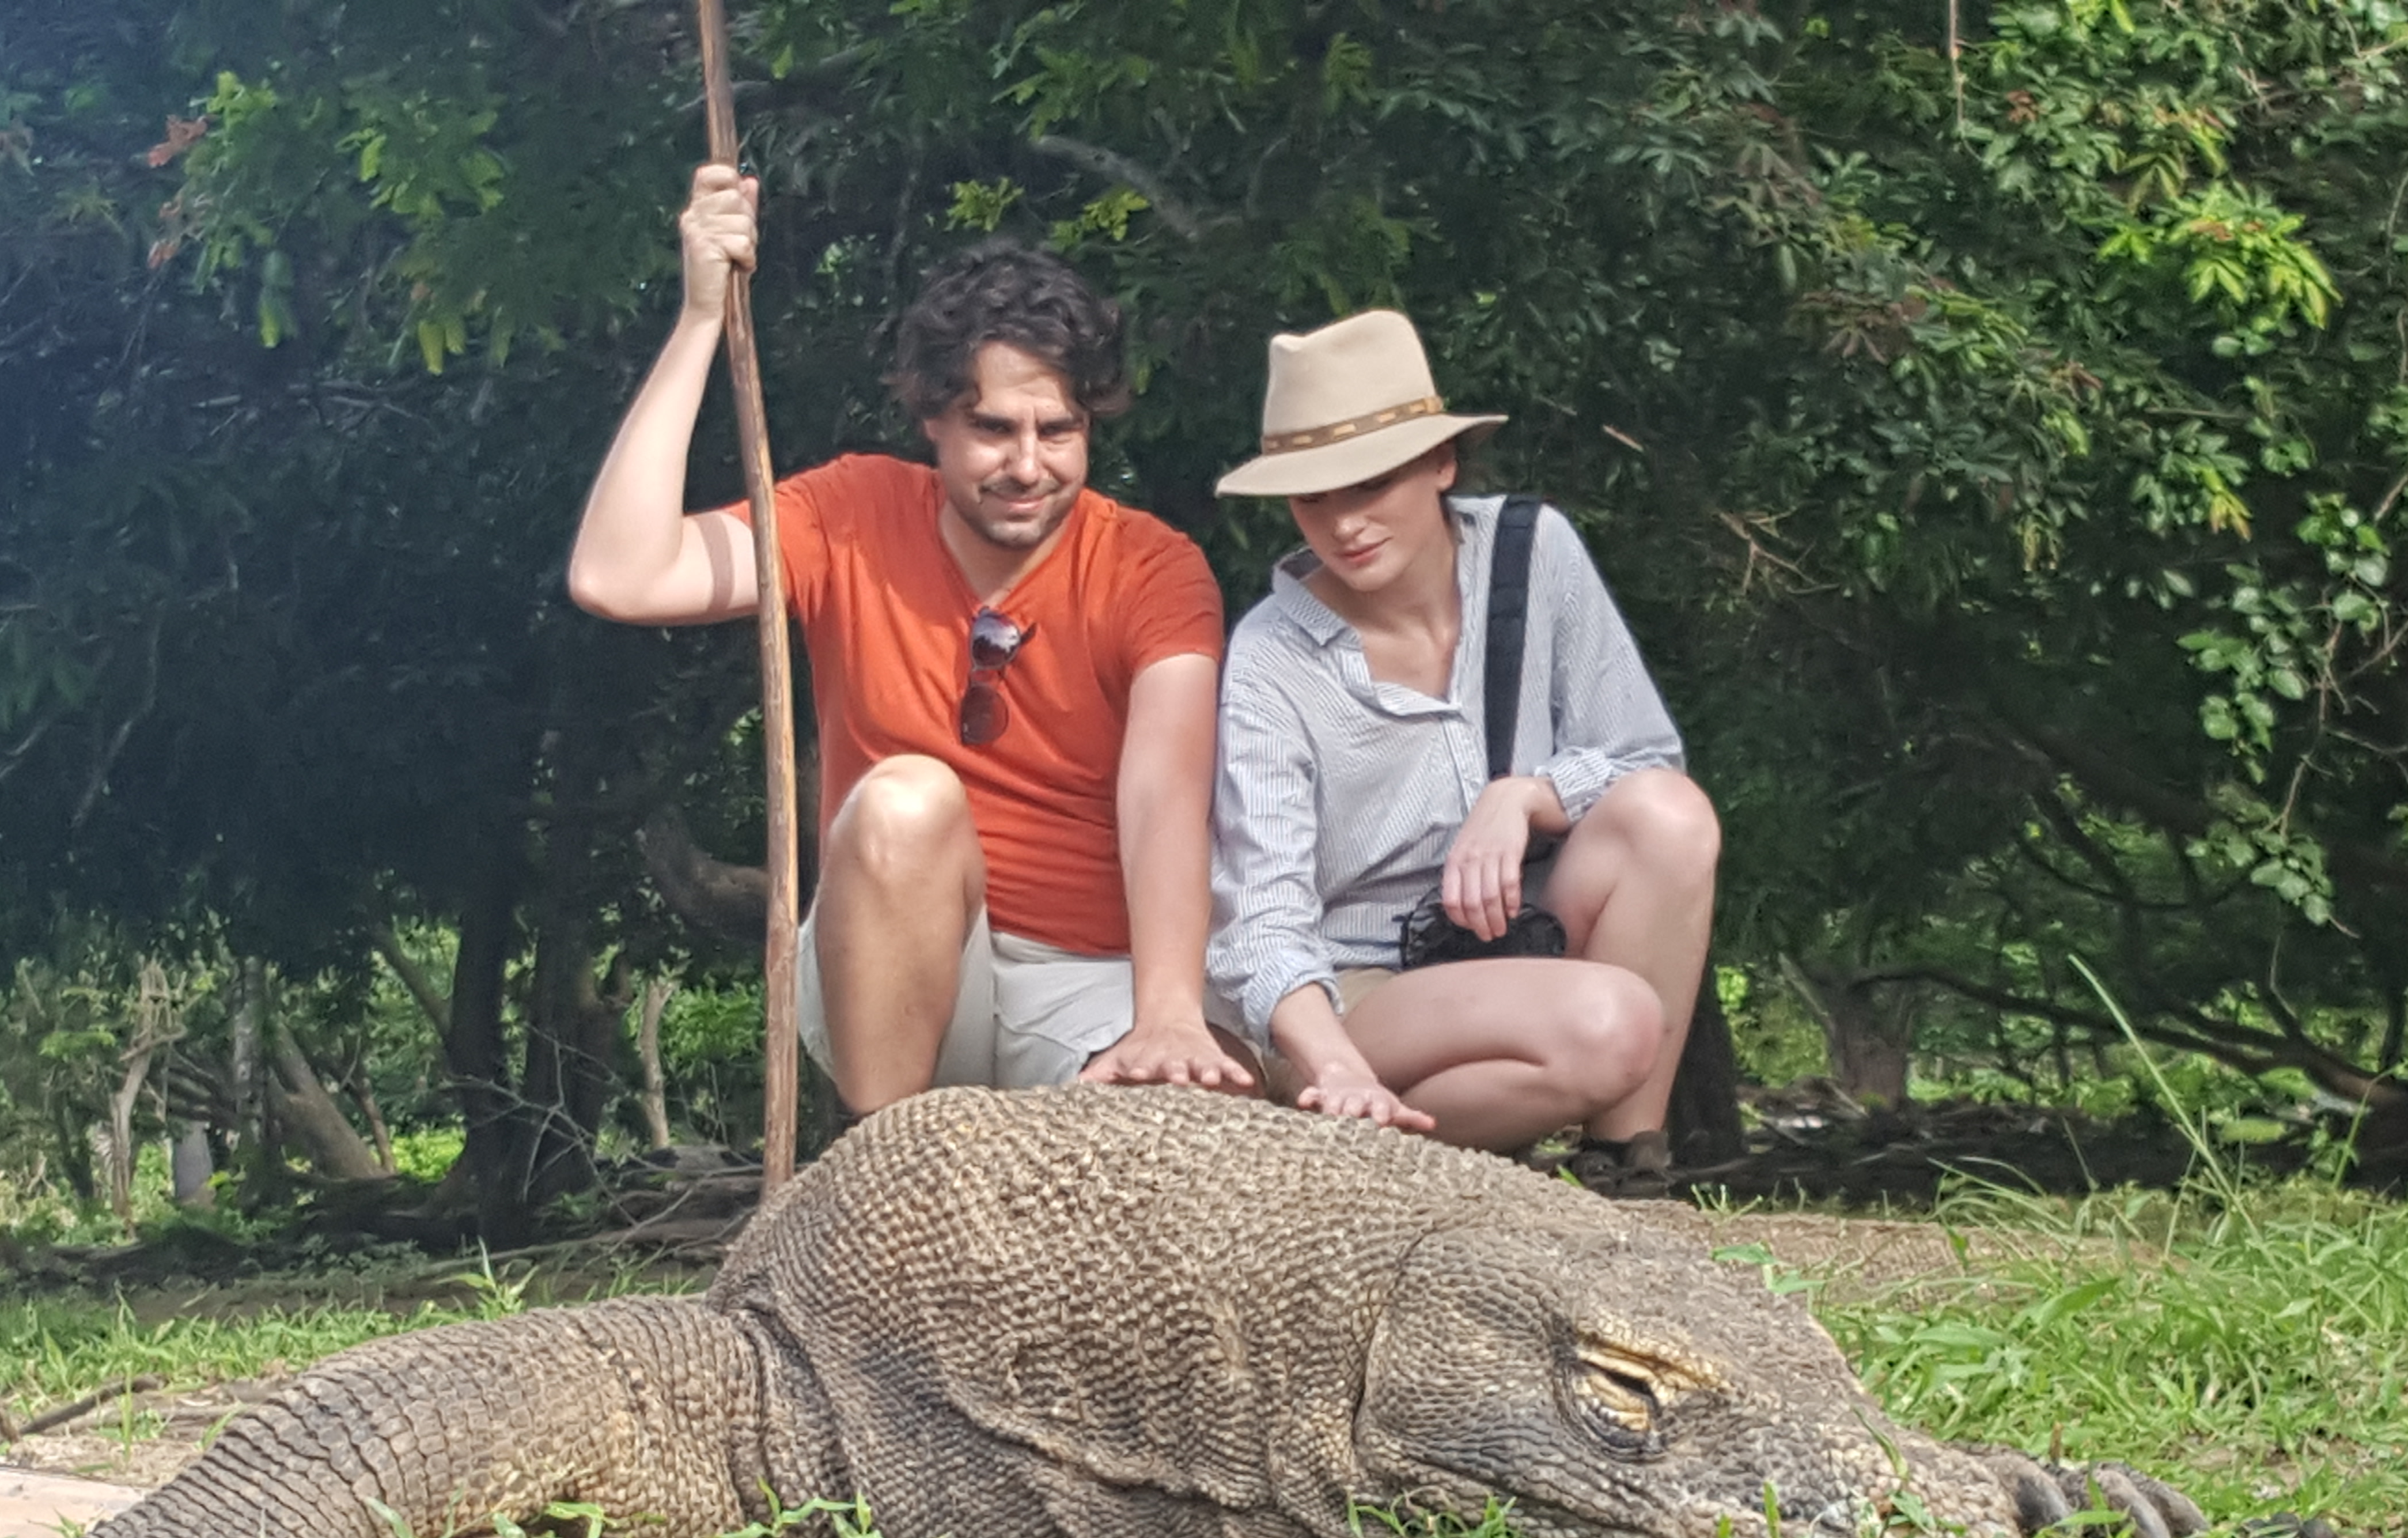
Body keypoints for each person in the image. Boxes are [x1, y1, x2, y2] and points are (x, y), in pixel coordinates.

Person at [568, 165, 1249, 1114]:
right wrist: (699, 321)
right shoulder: (847, 512)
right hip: (893, 972)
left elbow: (1166, 793)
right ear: (931, 416)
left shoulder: (1153, 566)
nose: (1027, 466)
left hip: (1092, 977)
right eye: (992, 428)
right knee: (905, 800)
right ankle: (889, 1164)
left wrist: (1170, 1010)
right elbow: (618, 575)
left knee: (1210, 1117)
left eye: (1059, 431)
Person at [1205, 309, 1720, 1168]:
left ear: (1441, 463)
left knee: (1669, 817)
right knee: (1611, 1022)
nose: (1344, 525)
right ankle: (1342, 1122)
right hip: (1356, 991)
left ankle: (1624, 1167)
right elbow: (1259, 921)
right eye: (1314, 497)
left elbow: (1644, 755)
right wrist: (1331, 1062)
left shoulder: (1533, 554)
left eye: (1370, 484)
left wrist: (1528, 796)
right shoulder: (1270, 656)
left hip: (1520, 938)